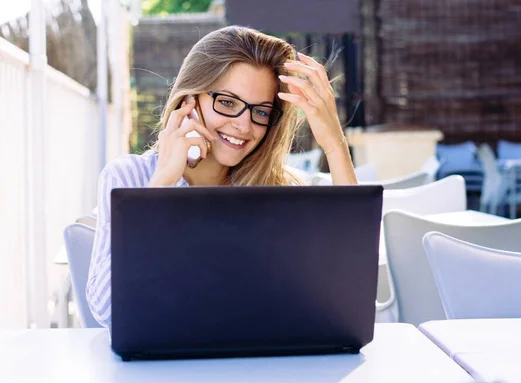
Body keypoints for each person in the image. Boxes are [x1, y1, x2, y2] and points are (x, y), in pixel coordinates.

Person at [86, 25, 357, 329]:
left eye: (261, 112)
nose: (244, 125)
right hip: (164, 371)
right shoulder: (130, 178)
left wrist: (335, 145)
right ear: (190, 101)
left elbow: (349, 291)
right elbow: (107, 309)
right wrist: (160, 190)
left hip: (258, 366)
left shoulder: (277, 189)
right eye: (227, 102)